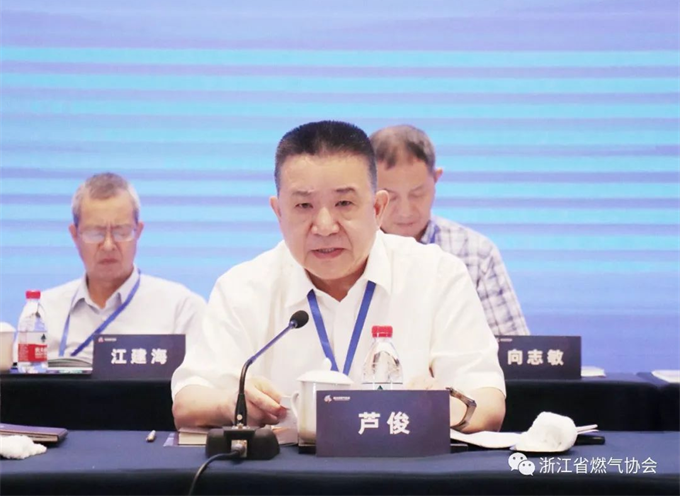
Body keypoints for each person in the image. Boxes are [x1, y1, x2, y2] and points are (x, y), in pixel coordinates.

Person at [172, 121, 505, 433]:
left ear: (377, 209)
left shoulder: (437, 275)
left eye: (344, 203)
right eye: (303, 206)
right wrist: (231, 403)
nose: (324, 226)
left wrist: (444, 409)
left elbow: (488, 401)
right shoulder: (243, 287)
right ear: (279, 212)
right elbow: (188, 401)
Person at [21, 172, 206, 364]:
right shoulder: (42, 312)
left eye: (121, 232)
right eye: (96, 233)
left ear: (138, 232)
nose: (108, 245)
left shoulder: (181, 309)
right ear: (74, 235)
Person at [370, 125, 529, 336]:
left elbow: (512, 348)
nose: (405, 211)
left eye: (417, 194)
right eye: (391, 197)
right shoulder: (350, 251)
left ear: (436, 179)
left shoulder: (476, 253)